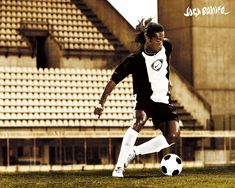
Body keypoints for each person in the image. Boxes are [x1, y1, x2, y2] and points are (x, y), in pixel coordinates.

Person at [94, 18, 180, 178]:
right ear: (148, 39)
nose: (161, 42)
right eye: (158, 40)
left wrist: (168, 80)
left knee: (173, 136)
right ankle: (119, 168)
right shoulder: (135, 59)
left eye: (162, 39)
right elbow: (114, 80)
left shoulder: (167, 46)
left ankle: (134, 152)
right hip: (144, 99)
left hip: (162, 99)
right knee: (139, 122)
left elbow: (166, 61)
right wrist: (101, 102)